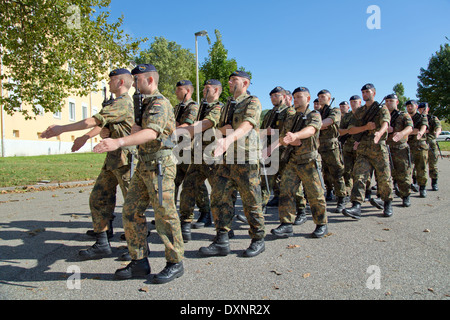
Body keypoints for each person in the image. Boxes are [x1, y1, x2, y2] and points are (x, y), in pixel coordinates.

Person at [93, 64, 184, 284]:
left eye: (138, 79)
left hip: (160, 166)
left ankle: (175, 262)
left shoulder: (160, 103)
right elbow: (139, 130)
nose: (133, 83)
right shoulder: (142, 103)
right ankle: (139, 261)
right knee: (131, 211)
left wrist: (118, 142)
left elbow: (152, 132)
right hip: (144, 164)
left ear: (150, 80)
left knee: (165, 215)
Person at [41, 68, 136, 259]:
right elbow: (101, 125)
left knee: (132, 205)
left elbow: (93, 120)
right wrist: (85, 137)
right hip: (113, 159)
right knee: (98, 197)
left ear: (120, 83)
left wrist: (62, 128)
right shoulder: (116, 104)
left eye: (111, 81)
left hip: (126, 160)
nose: (108, 84)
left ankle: (137, 247)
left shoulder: (123, 103)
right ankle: (102, 242)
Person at [199, 70, 266, 258]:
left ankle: (258, 239)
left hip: (246, 158)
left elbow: (248, 124)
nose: (230, 82)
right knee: (219, 198)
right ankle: (222, 239)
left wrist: (229, 138)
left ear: (245, 83)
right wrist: (223, 133)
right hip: (226, 159)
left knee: (251, 201)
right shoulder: (228, 104)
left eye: (234, 80)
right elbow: (220, 127)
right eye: (229, 80)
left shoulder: (252, 101)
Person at [270, 86, 328, 238]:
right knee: (286, 191)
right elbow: (283, 138)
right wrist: (271, 148)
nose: (295, 100)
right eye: (294, 97)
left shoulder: (314, 114)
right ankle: (286, 224)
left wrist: (296, 136)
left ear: (308, 99)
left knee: (315, 194)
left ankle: (321, 224)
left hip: (309, 160)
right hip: (293, 160)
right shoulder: (291, 117)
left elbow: (311, 130)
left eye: (299, 97)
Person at [177, 79, 224, 241]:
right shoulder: (199, 108)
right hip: (196, 155)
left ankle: (223, 227)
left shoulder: (219, 107)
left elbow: (207, 123)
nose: (204, 91)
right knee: (188, 188)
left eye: (208, 88)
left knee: (219, 193)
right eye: (204, 88)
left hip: (212, 156)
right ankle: (185, 224)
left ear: (217, 90)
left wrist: (188, 128)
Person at [342, 83, 393, 218]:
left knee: (384, 177)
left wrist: (379, 133)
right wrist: (365, 127)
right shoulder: (359, 112)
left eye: (367, 92)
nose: (365, 94)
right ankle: (356, 206)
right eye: (363, 92)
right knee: (359, 176)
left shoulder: (381, 108)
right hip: (363, 148)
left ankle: (387, 203)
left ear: (374, 93)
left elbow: (385, 124)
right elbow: (351, 129)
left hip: (378, 147)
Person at [316, 89, 347, 213]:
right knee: (325, 172)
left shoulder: (335, 110)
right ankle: (329, 192)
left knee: (337, 173)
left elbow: (329, 121)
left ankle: (341, 198)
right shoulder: (317, 112)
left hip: (332, 146)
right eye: (319, 97)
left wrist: (315, 125)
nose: (320, 98)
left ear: (329, 98)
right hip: (319, 146)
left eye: (323, 96)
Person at [385, 94, 413, 207]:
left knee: (403, 173)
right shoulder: (383, 116)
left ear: (397, 102)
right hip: (386, 148)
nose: (388, 103)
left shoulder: (403, 115)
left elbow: (410, 127)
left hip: (400, 148)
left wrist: (401, 133)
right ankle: (386, 198)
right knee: (385, 175)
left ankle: (405, 196)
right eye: (386, 101)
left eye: (391, 101)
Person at [406, 100, 429, 198]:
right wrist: (412, 131)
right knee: (406, 169)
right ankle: (406, 189)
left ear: (416, 106)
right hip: (407, 146)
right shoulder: (405, 117)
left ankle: (422, 188)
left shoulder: (421, 117)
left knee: (421, 168)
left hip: (420, 146)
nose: (409, 108)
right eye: (408, 106)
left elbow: (423, 128)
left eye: (411, 106)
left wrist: (417, 132)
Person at [418, 102, 442, 191]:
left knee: (433, 165)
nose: (422, 111)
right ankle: (418, 184)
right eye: (420, 109)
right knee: (420, 166)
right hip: (420, 144)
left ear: (427, 109)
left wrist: (437, 133)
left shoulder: (432, 118)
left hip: (430, 144)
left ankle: (434, 182)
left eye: (423, 109)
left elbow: (438, 127)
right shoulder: (417, 119)